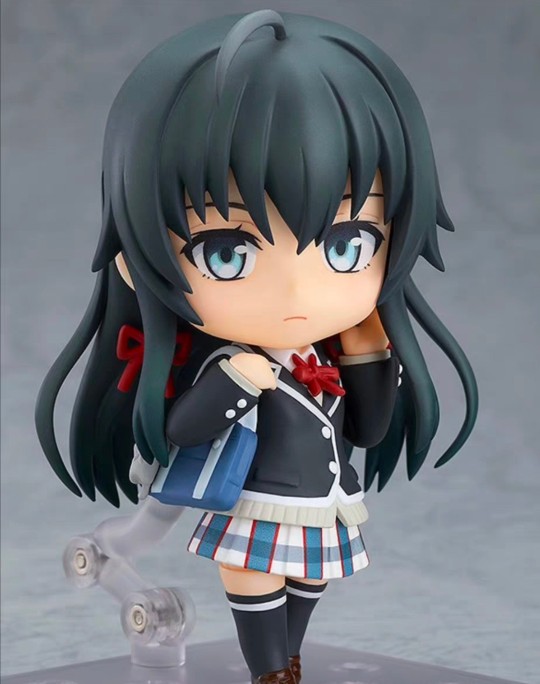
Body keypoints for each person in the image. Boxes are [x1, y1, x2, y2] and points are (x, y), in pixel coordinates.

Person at [35, 10, 478, 683]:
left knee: (310, 581)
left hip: (323, 500)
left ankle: (288, 660)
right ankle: (270, 669)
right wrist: (235, 382)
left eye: (346, 245)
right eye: (227, 253)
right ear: (137, 260)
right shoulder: (231, 362)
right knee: (255, 581)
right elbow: (183, 430)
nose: (296, 290)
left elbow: (367, 429)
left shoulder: (329, 355)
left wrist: (368, 358)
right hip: (258, 503)